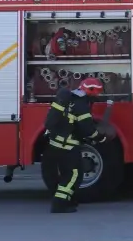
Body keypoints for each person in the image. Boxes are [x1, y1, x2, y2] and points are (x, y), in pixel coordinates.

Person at [43, 77, 108, 214]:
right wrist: (100, 138)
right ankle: (59, 205)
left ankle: (68, 200)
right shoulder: (81, 104)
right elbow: (87, 129)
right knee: (74, 175)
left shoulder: (69, 98)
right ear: (91, 90)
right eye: (96, 92)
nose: (97, 96)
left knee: (63, 174)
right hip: (68, 146)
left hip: (55, 144)